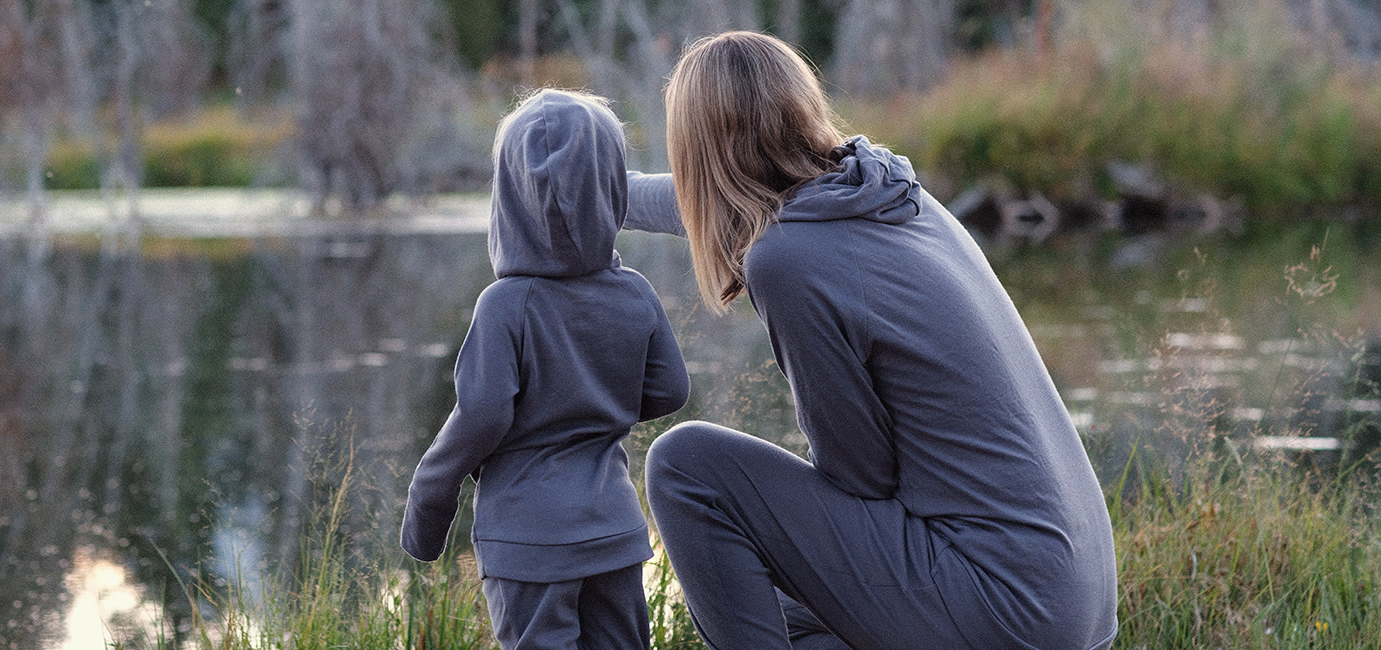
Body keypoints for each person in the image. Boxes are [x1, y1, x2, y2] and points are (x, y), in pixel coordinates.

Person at [621, 31, 1119, 649]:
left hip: (1004, 606)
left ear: (696, 149)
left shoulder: (787, 260)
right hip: (1073, 602)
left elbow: (862, 476)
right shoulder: (893, 196)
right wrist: (606, 190)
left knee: (686, 465)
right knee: (779, 611)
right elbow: (712, 203)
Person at [400, 89, 691, 650]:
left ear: (509, 198)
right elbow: (671, 390)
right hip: (614, 530)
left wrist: (427, 502)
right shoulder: (634, 292)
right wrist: (597, 403)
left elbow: (481, 416)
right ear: (612, 191)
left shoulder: (505, 306)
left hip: (527, 540)